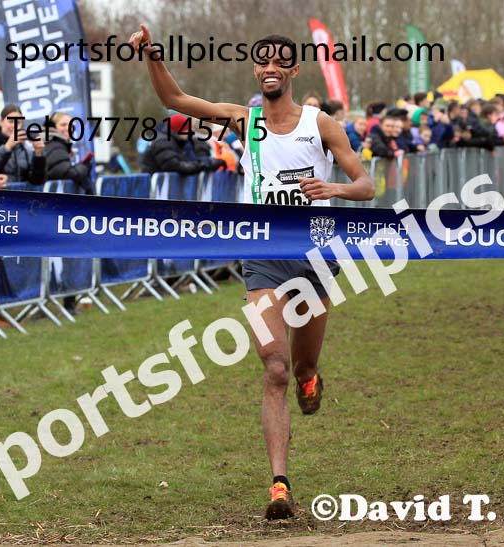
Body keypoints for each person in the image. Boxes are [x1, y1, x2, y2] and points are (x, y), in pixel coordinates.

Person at [130, 25, 374, 520]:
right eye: (261, 62)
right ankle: (279, 484)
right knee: (275, 366)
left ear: (292, 70)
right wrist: (153, 56)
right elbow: (175, 98)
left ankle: (312, 378)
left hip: (314, 253)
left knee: (302, 366)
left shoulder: (320, 124)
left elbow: (366, 184)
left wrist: (334, 191)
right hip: (261, 253)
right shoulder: (246, 122)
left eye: (277, 62)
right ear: (256, 69)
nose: (268, 68)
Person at [0, 104, 46, 184]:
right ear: (1, 122)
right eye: (10, 121)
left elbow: (37, 180)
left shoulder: (25, 147)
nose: (14, 126)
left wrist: (38, 154)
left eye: (18, 122)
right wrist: (7, 147)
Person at [43, 111, 95, 195]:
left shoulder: (56, 145)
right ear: (52, 127)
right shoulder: (55, 145)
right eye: (63, 125)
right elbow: (68, 173)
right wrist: (84, 166)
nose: (68, 128)